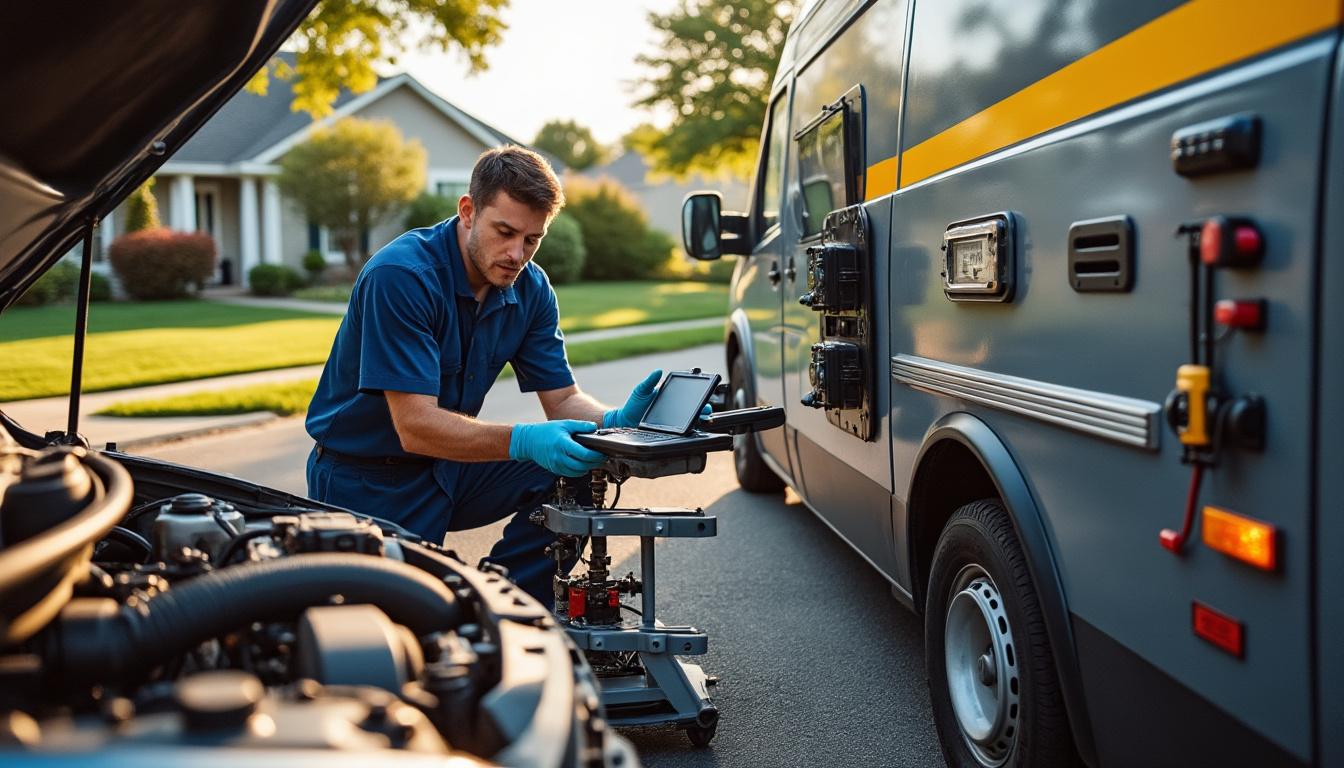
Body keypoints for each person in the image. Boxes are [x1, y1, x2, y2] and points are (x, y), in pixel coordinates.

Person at [304, 146, 667, 607]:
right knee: (405, 625)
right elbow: (415, 426)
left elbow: (563, 401)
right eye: (505, 232)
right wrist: (523, 439)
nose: (517, 255)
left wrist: (616, 423)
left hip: (450, 468)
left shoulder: (530, 289)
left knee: (582, 464)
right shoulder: (402, 276)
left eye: (532, 240)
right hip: (365, 479)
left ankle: (508, 606)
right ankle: (458, 612)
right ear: (468, 211)